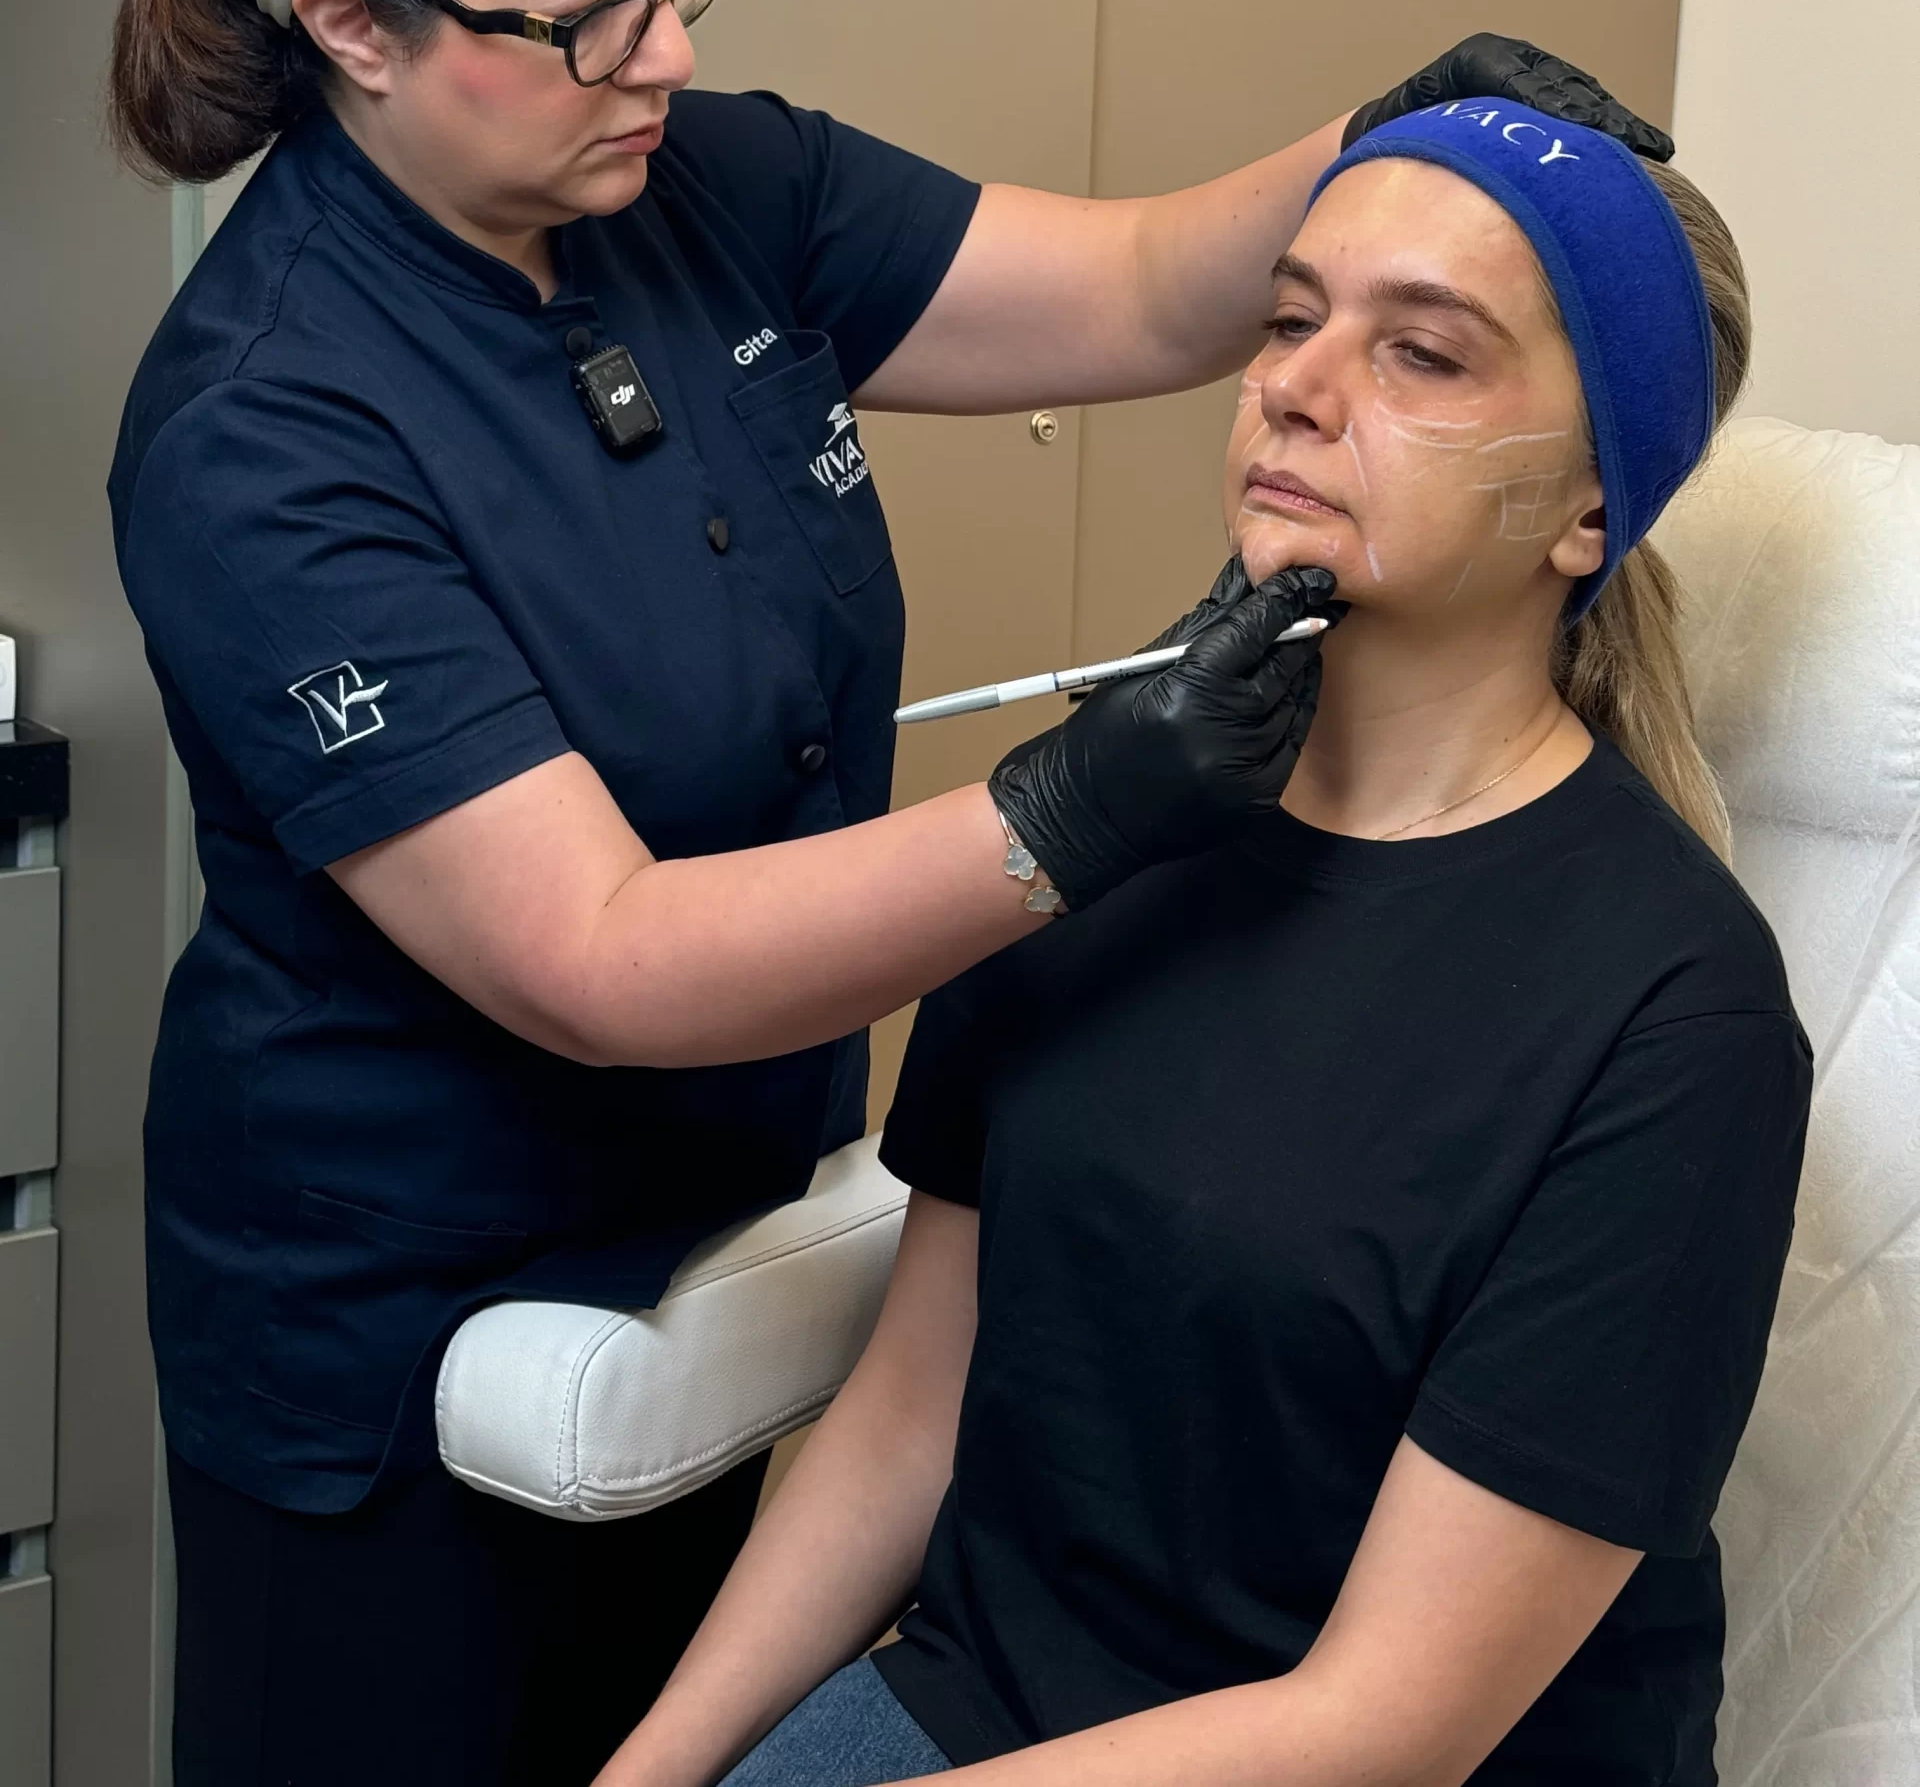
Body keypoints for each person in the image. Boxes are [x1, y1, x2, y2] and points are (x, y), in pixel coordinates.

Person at [105, 0, 1663, 1783]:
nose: (667, 52)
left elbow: (1143, 284)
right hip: (402, 1340)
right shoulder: (263, 430)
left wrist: (1384, 146)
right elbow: (603, 956)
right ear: (357, 28)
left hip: (737, 1250)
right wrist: (1072, 816)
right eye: (590, 13)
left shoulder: (703, 182)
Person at [599, 108, 1810, 1787]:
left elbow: (1387, 1726)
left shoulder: (1677, 1019)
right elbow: (910, 1415)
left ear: (1592, 509)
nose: (1295, 384)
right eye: (1291, 316)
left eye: (1423, 353)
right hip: (984, 1711)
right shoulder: (1098, 827)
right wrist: (654, 1771)